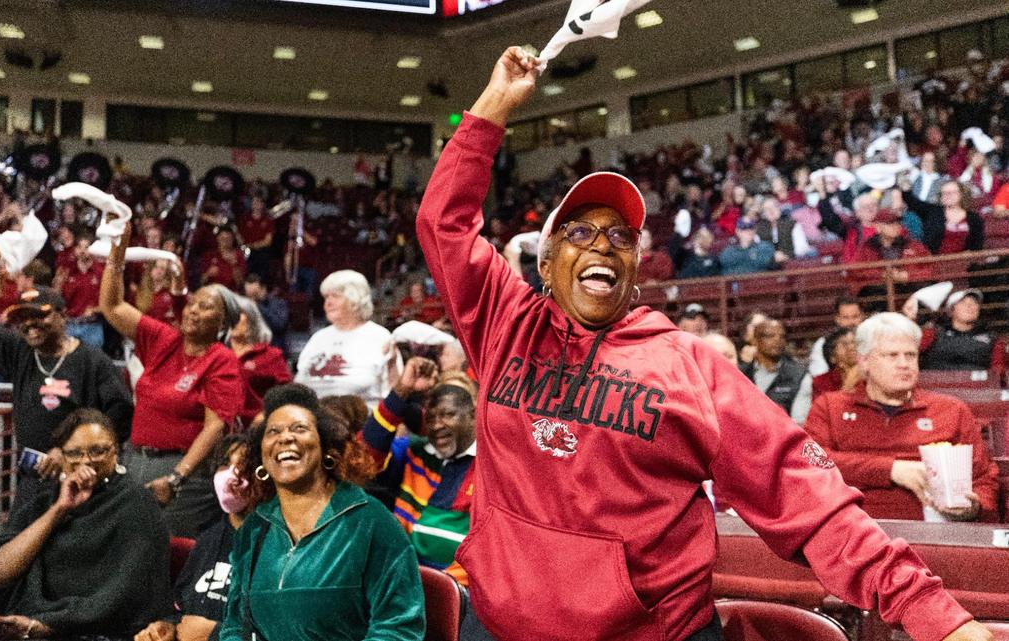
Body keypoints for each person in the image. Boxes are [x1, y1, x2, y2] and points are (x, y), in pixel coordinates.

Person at [414, 47, 989, 641]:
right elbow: (442, 224)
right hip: (498, 625)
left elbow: (805, 496)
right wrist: (495, 105)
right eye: (579, 231)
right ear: (547, 262)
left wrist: (936, 616)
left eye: (621, 237)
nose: (602, 245)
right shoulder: (504, 322)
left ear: (635, 268)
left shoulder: (688, 366)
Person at [218, 384, 425, 641]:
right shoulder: (253, 529)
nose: (285, 438)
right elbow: (235, 625)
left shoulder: (370, 521)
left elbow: (399, 627)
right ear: (262, 457)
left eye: (299, 428)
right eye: (273, 431)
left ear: (326, 447)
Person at [0, 237, 134, 510]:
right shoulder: (20, 351)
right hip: (34, 480)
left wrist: (73, 454)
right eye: (23, 317)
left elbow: (121, 414)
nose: (30, 324)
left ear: (63, 316)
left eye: (40, 315)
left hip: (84, 484)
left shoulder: (92, 361)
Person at [0, 409, 171, 640]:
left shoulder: (136, 503)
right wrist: (60, 509)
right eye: (75, 453)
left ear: (116, 450)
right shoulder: (47, 501)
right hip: (19, 620)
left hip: (90, 632)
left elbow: (123, 596)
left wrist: (47, 625)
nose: (86, 461)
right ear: (62, 457)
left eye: (98, 451)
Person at [99, 224, 243, 538]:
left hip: (182, 472)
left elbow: (214, 427)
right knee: (129, 547)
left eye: (206, 307)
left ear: (223, 323)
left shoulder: (221, 359)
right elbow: (112, 306)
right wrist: (118, 252)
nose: (193, 310)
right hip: (135, 460)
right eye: (193, 303)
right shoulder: (164, 339)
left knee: (172, 552)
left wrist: (177, 478)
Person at [803, 313, 1000, 522]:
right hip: (853, 528)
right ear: (864, 361)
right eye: (892, 355)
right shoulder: (829, 407)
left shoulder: (951, 410)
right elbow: (809, 463)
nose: (904, 364)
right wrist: (891, 470)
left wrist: (974, 507)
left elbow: (984, 479)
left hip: (934, 532)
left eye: (910, 355)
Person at [361, 357, 476, 585]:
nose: (437, 424)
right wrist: (401, 392)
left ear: (473, 414)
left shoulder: (493, 466)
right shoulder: (415, 451)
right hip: (401, 577)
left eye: (448, 413)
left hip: (459, 589)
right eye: (431, 416)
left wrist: (441, 589)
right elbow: (362, 460)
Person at [134, 435, 251, 641]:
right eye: (225, 464)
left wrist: (215, 634)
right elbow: (181, 607)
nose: (232, 474)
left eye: (243, 466)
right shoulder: (209, 539)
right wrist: (169, 627)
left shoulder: (276, 545)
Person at [295, 270, 399, 406]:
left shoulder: (380, 337)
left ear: (355, 299)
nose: (327, 303)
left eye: (335, 296)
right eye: (326, 297)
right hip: (313, 415)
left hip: (362, 417)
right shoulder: (318, 338)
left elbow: (395, 392)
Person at [228, 294, 292, 424]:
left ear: (251, 320)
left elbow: (288, 394)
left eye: (237, 314)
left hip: (258, 426)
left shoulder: (270, 355)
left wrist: (265, 415)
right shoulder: (217, 354)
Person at [739, 319, 812, 424]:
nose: (777, 340)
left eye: (782, 336)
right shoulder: (740, 374)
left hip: (784, 432)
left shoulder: (799, 375)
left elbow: (799, 422)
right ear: (755, 340)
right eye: (769, 336)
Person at [919, 288, 1005, 375]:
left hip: (978, 383)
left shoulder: (992, 339)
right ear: (951, 310)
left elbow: (998, 372)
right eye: (963, 302)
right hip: (936, 382)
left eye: (975, 302)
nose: (970, 306)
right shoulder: (932, 334)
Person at [900, 179, 984, 254]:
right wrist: (905, 188)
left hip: (963, 261)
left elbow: (977, 246)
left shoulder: (974, 218)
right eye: (944, 193)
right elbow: (912, 202)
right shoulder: (933, 211)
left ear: (961, 194)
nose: (947, 195)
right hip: (934, 260)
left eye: (951, 192)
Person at [54, 235, 106, 349]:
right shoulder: (66, 271)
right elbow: (56, 298)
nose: (82, 251)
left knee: (93, 359)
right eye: (79, 247)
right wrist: (58, 284)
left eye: (86, 247)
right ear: (75, 250)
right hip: (69, 325)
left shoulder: (101, 272)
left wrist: (95, 309)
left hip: (92, 326)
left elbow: (109, 301)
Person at [808, 297, 864, 376]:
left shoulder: (871, 339)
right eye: (846, 317)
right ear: (837, 319)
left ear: (862, 316)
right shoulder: (823, 343)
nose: (851, 322)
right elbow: (819, 375)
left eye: (855, 317)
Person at [244, 273, 289, 357]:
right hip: (252, 351)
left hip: (274, 350)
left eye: (255, 294)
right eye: (248, 295)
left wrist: (257, 306)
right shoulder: (244, 307)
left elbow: (279, 325)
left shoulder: (278, 303)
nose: (251, 298)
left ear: (263, 289)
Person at [812, 327, 859, 397]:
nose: (852, 347)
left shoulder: (869, 375)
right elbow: (824, 404)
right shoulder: (820, 382)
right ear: (832, 357)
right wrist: (848, 386)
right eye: (844, 345)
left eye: (854, 343)